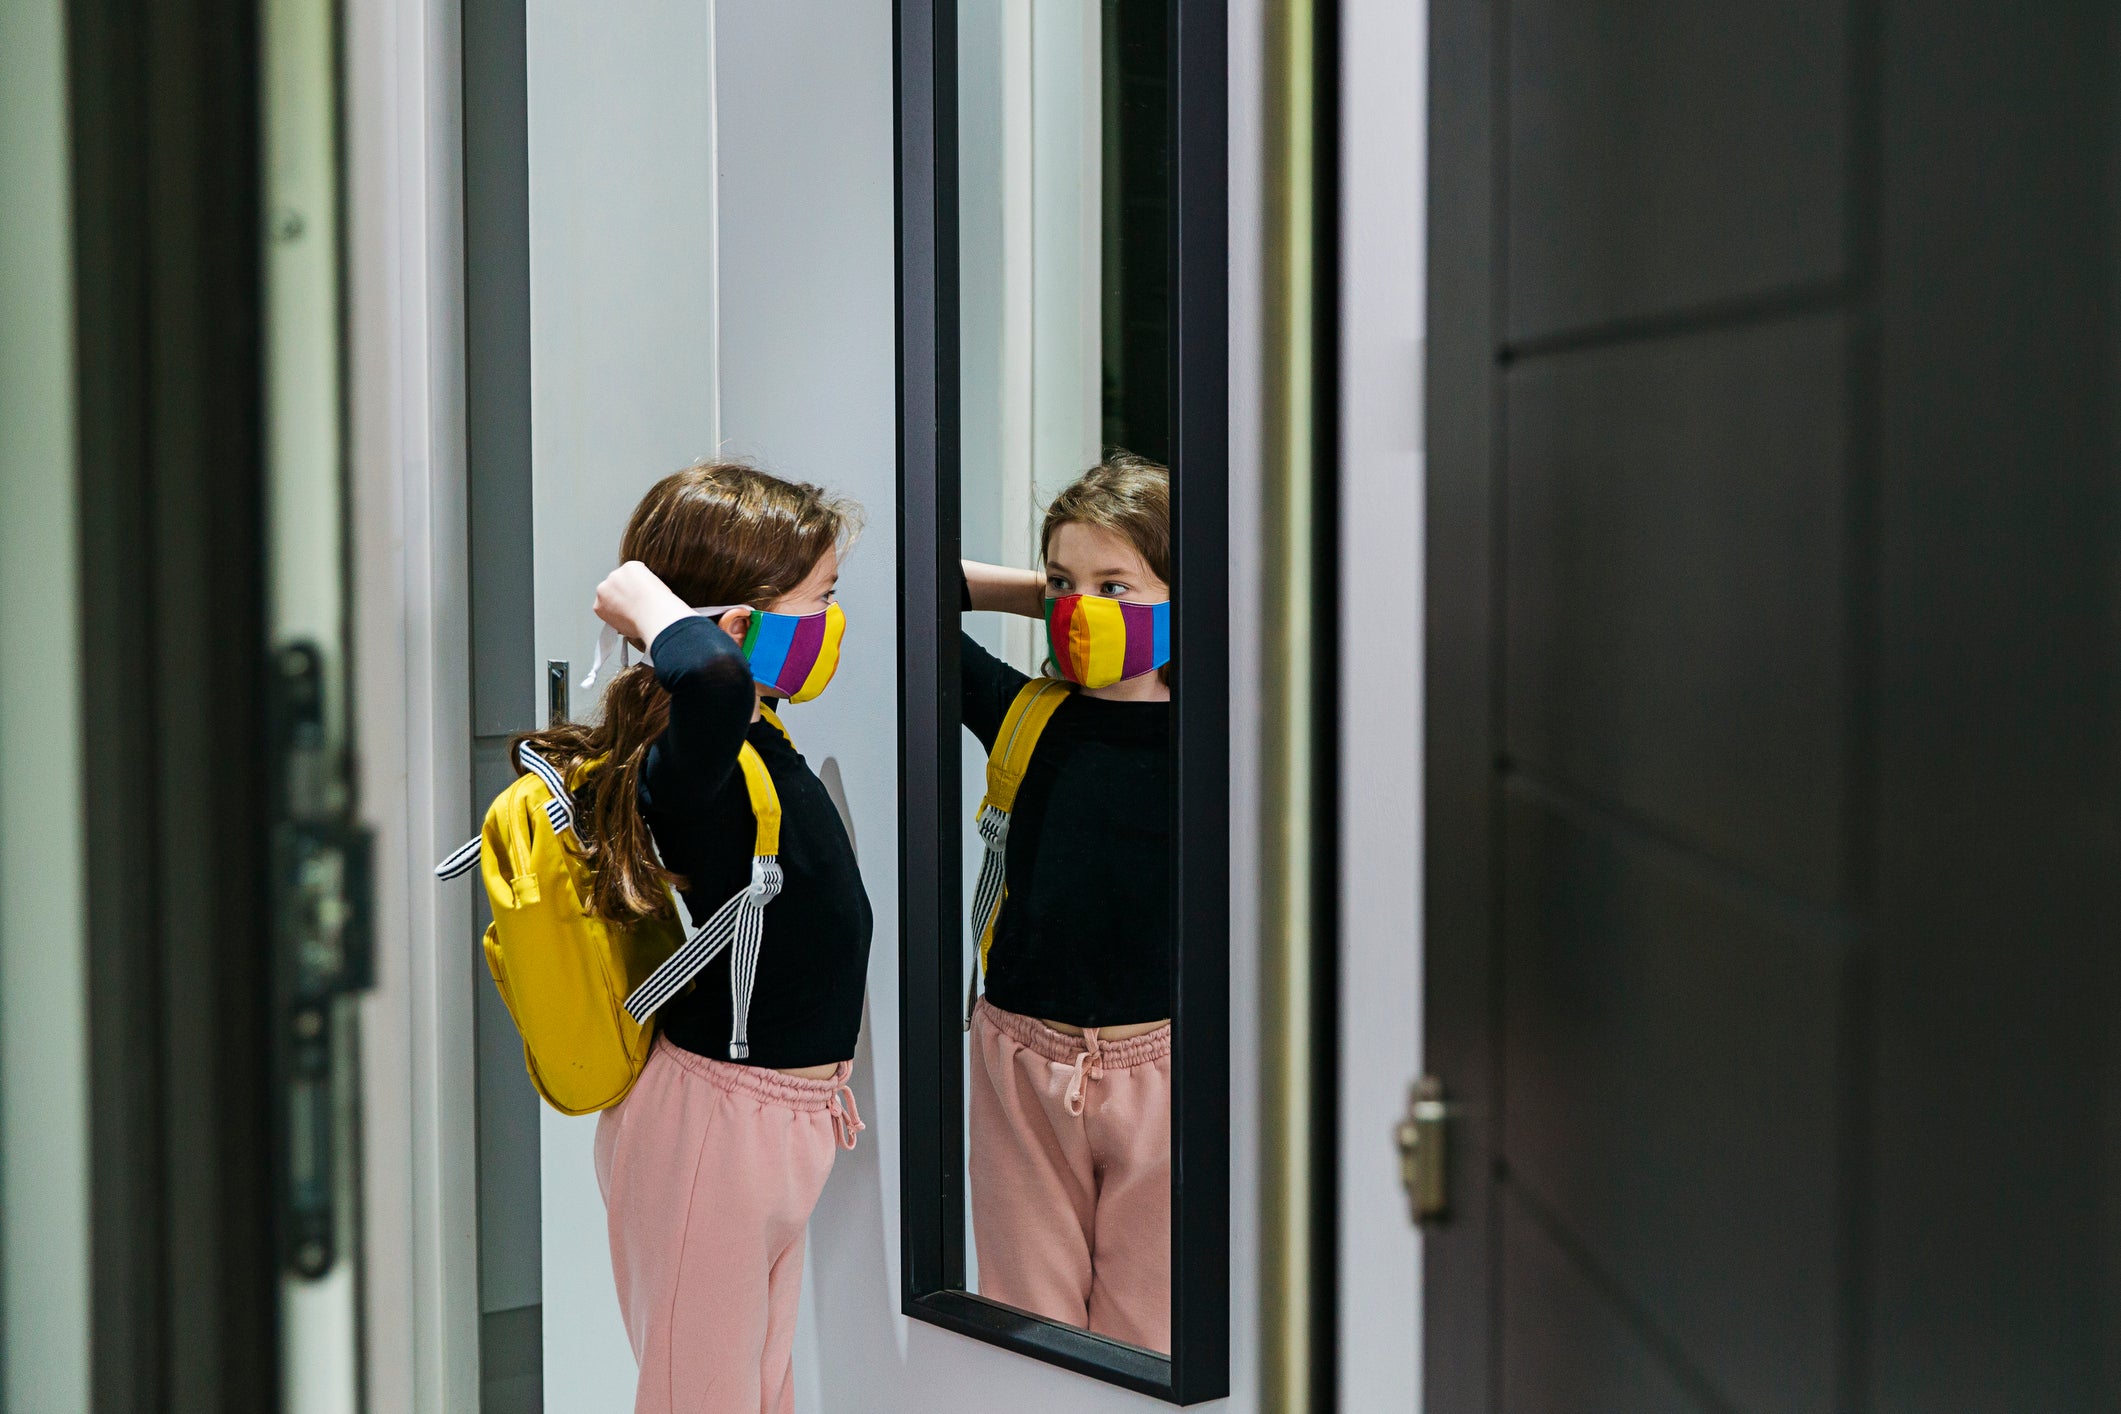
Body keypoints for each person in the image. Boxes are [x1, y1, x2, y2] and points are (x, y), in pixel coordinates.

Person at [521, 461, 869, 1414]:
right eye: (818, 602)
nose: (831, 625)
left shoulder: (762, 739)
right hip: (715, 1129)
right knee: (699, 1398)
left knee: (759, 1391)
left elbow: (725, 683)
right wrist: (641, 598)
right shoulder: (690, 764)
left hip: (783, 1122)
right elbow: (710, 681)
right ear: (732, 629)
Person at [958, 452, 1174, 1351]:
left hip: (1166, 1066)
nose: (1082, 609)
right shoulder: (1024, 708)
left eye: (1113, 586)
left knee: (1150, 1334)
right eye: (1063, 583)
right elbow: (917, 583)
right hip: (1018, 1061)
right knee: (1029, 1325)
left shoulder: (1231, 733)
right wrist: (1041, 594)